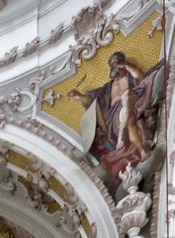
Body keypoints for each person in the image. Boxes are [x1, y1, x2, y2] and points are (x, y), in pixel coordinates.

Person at [69, 51, 165, 192]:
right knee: (122, 114)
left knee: (126, 100)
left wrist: (127, 65)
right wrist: (80, 97)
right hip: (111, 120)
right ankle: (120, 140)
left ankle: (127, 142)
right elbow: (93, 100)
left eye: (118, 63)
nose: (116, 67)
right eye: (113, 64)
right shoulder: (108, 87)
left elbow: (141, 78)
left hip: (131, 108)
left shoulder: (129, 77)